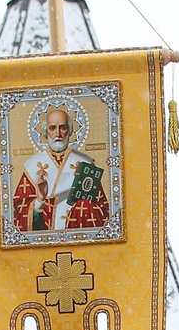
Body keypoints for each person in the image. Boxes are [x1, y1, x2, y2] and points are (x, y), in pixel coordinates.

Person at [13, 99, 110, 233]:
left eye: (62, 127)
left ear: (69, 131)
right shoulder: (33, 166)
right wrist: (39, 200)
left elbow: (102, 208)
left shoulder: (85, 163)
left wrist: (84, 207)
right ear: (46, 132)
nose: (57, 134)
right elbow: (18, 214)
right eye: (52, 128)